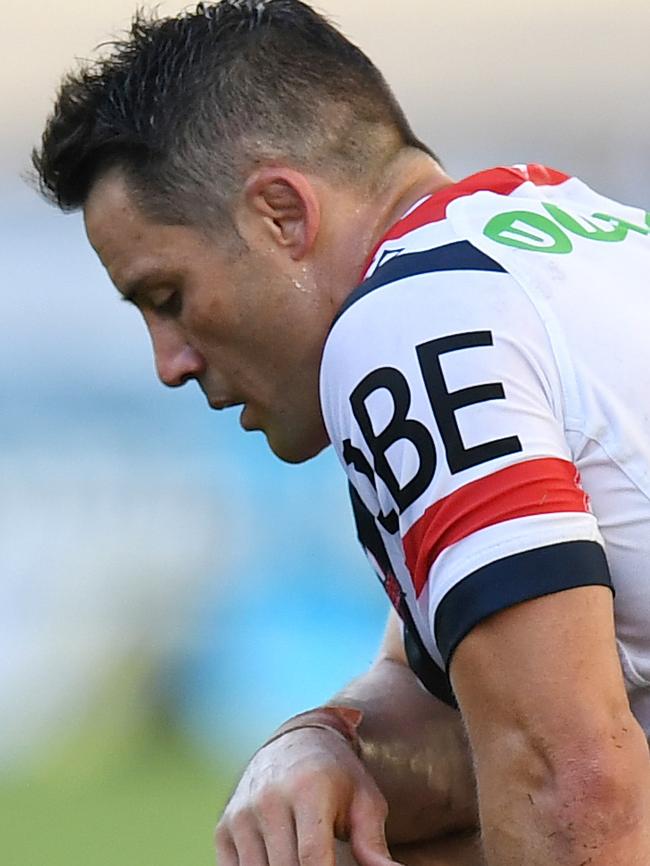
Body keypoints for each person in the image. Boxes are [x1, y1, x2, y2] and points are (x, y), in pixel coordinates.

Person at [31, 1, 650, 864]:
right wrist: (317, 739)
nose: (168, 362)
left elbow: (571, 784)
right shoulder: (566, 237)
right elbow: (468, 712)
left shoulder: (412, 323)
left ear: (283, 214)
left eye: (168, 297)